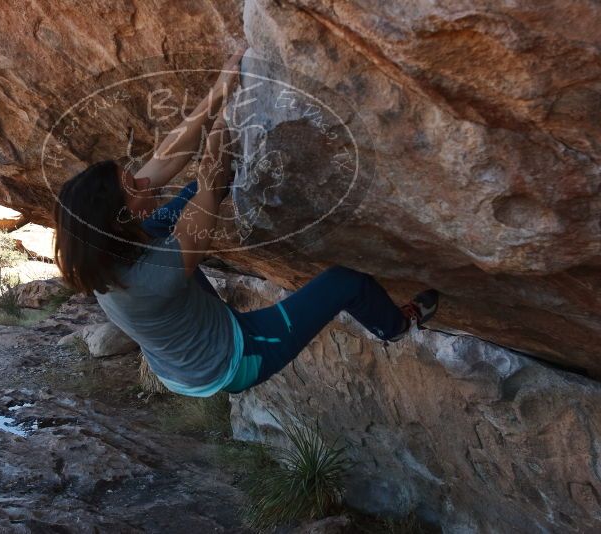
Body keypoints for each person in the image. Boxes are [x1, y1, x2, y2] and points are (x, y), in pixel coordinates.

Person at [53, 50, 439, 397]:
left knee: (181, 207)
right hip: (233, 360)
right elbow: (212, 178)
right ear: (120, 214)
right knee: (347, 281)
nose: (142, 179)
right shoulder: (149, 277)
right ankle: (396, 326)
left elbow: (168, 158)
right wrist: (228, 117)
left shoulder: (107, 246)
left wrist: (219, 91)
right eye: (132, 185)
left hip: (177, 345)